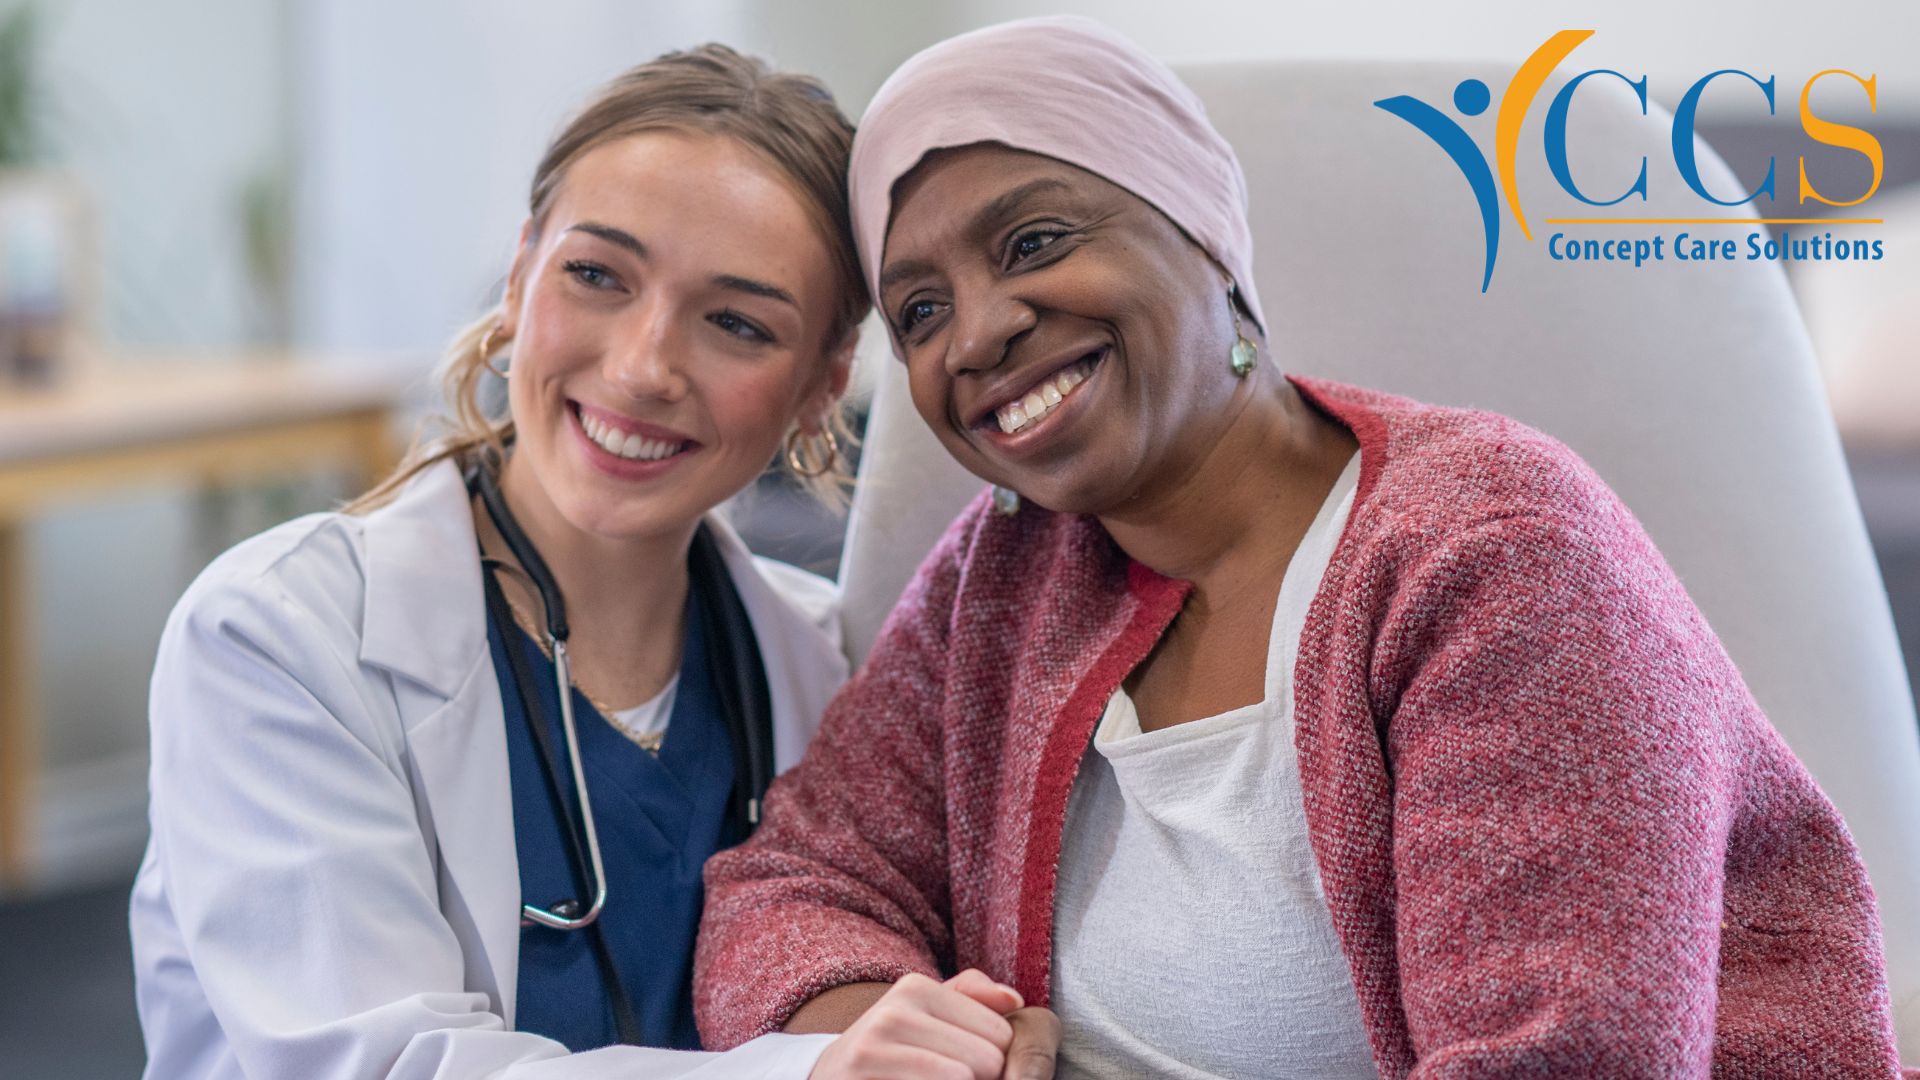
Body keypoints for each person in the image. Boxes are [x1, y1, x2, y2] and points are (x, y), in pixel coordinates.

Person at [693, 17, 1906, 1078]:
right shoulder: (1004, 570)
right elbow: (796, 882)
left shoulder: (1495, 550)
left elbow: (1570, 1055)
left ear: (1209, 239)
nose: (980, 333)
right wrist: (881, 1038)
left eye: (1033, 243)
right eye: (920, 311)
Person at [132, 44, 1030, 1080]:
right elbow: (374, 1064)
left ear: (822, 388)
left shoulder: (824, 668)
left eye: (736, 323)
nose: (644, 367)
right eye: (597, 275)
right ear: (519, 278)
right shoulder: (278, 638)